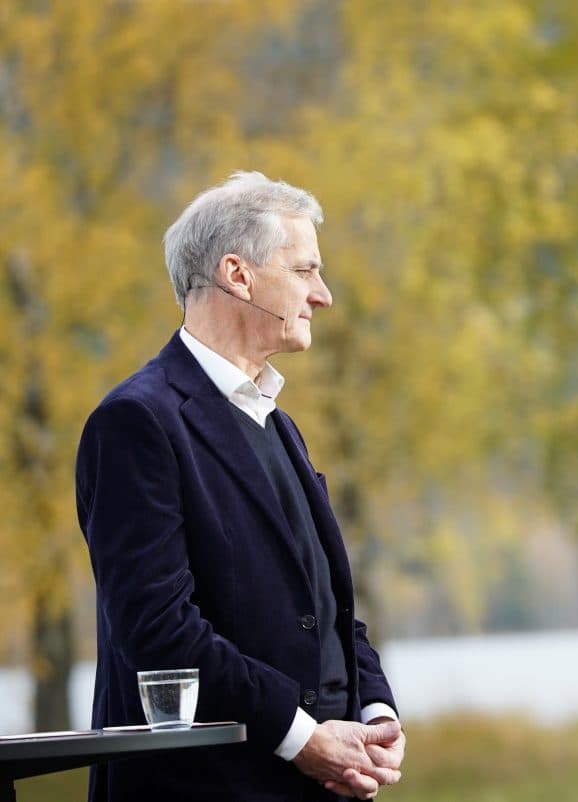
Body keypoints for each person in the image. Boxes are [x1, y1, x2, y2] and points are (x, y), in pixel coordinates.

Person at [76, 172, 405, 801]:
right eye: (306, 270)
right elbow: (159, 630)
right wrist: (301, 737)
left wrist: (375, 713)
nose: (324, 295)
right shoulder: (136, 423)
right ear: (238, 273)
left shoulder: (280, 425)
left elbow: (327, 610)